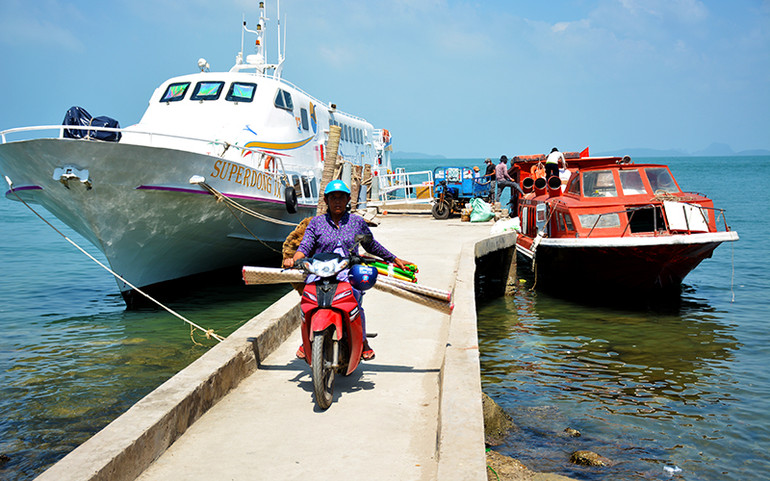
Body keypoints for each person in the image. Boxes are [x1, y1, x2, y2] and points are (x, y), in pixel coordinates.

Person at [283, 180, 409, 361]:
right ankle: (308, 340)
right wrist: (295, 260)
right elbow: (304, 247)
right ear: (326, 200)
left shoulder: (357, 223)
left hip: (347, 274)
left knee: (355, 301)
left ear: (348, 199)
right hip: (321, 273)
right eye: (333, 198)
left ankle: (363, 341)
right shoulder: (316, 224)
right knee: (309, 301)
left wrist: (393, 259)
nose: (337, 202)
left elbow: (371, 244)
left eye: (341, 197)